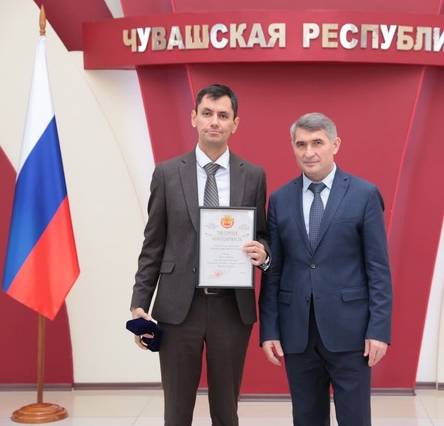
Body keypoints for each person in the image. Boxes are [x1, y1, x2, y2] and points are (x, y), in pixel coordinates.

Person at [130, 84, 270, 426]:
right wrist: (139, 304)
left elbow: (263, 233)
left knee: (226, 410)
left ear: (235, 123)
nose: (214, 121)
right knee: (177, 411)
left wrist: (263, 251)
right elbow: (153, 244)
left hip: (231, 308)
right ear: (194, 118)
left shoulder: (253, 175)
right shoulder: (167, 173)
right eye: (207, 113)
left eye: (223, 115)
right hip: (179, 308)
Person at [259, 112, 393, 426]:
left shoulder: (364, 194)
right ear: (293, 147)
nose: (309, 152)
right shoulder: (279, 200)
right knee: (306, 419)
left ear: (335, 145)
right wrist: (269, 330)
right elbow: (274, 271)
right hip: (297, 333)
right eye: (301, 144)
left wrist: (378, 331)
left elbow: (378, 268)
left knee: (354, 419)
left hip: (351, 333)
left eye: (317, 143)